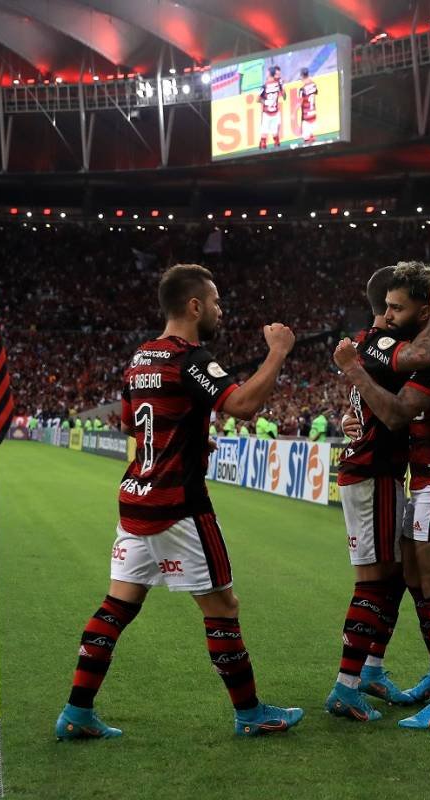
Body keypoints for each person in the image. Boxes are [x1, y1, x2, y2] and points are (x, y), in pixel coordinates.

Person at [54, 264, 304, 741]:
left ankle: (76, 712)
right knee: (223, 606)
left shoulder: (140, 358)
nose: (219, 310)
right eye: (214, 302)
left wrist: (187, 441)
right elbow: (243, 406)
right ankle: (250, 713)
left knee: (116, 607)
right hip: (178, 506)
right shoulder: (191, 357)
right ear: (194, 306)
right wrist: (277, 354)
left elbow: (133, 425)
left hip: (137, 498)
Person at [334, 261, 430, 730]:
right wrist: (354, 416)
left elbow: (399, 413)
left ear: (425, 308)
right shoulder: (417, 344)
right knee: (419, 585)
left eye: (398, 307)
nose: (388, 314)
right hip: (426, 481)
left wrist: (354, 371)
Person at [257, 65, 284, 149]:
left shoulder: (264, 86)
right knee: (275, 132)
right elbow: (284, 95)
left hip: (267, 112)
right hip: (275, 111)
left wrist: (265, 101)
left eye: (267, 72)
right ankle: (277, 143)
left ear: (269, 74)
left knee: (264, 132)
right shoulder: (278, 84)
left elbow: (257, 99)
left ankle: (263, 145)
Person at [298, 68, 318, 144]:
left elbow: (300, 102)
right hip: (313, 113)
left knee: (306, 140)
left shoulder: (302, 90)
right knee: (312, 137)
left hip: (306, 117)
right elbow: (315, 93)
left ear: (302, 76)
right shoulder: (313, 85)